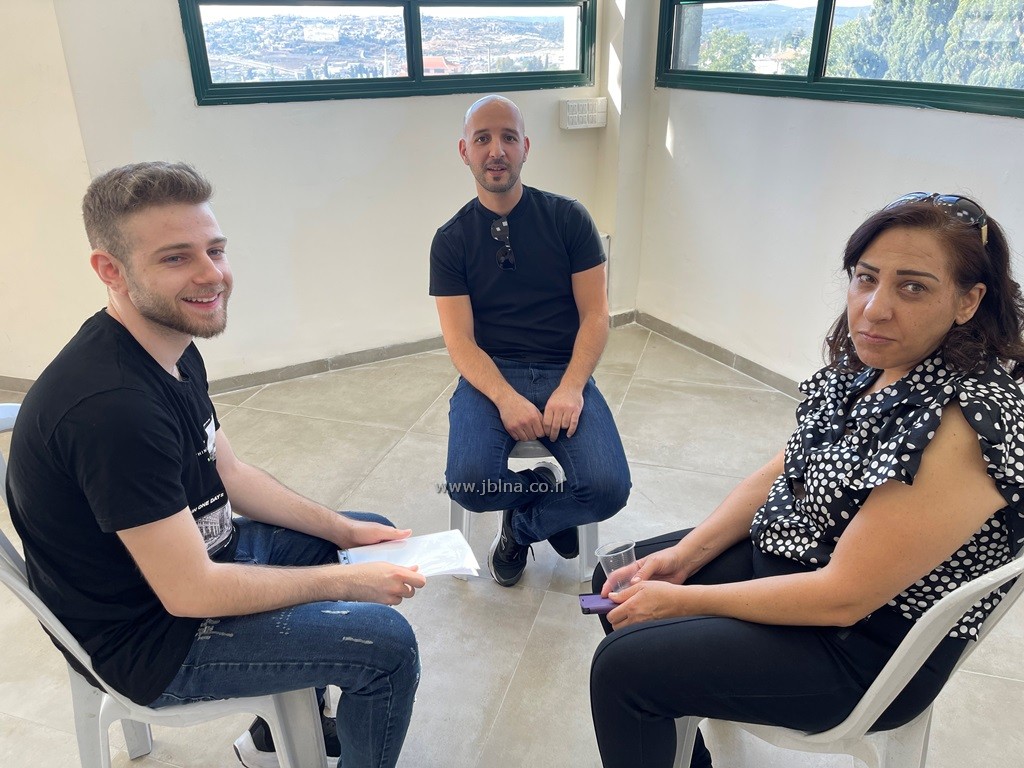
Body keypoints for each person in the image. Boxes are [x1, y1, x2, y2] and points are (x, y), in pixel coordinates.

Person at [4, 162, 426, 768]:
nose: (212, 275)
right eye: (176, 258)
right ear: (110, 270)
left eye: (216, 249)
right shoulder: (111, 408)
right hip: (153, 639)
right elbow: (191, 591)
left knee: (362, 537)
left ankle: (273, 738)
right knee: (385, 645)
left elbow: (229, 473)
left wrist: (343, 530)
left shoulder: (169, 343)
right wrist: (343, 584)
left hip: (195, 563)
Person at [589, 192, 1024, 768]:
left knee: (623, 669)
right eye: (866, 278)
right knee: (617, 580)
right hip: (802, 561)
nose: (874, 309)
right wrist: (683, 557)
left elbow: (844, 596)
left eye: (913, 287)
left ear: (969, 301)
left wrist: (683, 600)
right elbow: (785, 466)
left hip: (864, 646)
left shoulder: (967, 421)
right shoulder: (878, 361)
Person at [430, 94, 631, 587]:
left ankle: (520, 528)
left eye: (508, 137)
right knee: (469, 484)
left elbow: (596, 315)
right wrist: (504, 397)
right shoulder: (451, 240)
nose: (496, 150)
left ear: (526, 147)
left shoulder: (568, 218)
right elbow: (460, 342)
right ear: (464, 151)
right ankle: (543, 492)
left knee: (607, 488)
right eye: (482, 138)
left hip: (564, 370)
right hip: (492, 373)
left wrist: (572, 387)